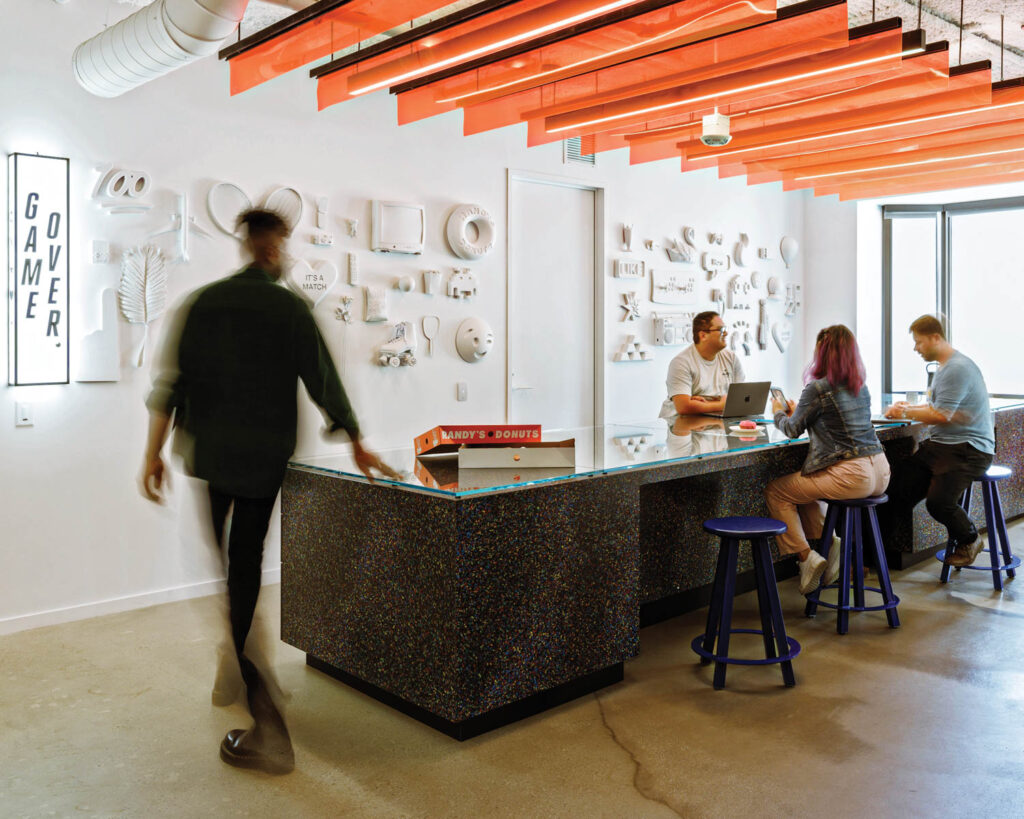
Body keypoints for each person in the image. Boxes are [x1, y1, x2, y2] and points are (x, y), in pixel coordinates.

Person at [140, 209, 397, 775]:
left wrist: (151, 454)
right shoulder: (288, 309)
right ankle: (239, 673)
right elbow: (323, 379)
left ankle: (263, 718)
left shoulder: (202, 304)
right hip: (262, 463)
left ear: (245, 245)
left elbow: (169, 387)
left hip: (210, 458)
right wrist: (356, 440)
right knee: (245, 568)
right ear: (273, 248)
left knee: (229, 573)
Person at [765, 325, 890, 595]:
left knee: (777, 491)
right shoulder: (860, 387)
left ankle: (806, 558)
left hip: (851, 476)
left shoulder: (817, 388)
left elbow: (790, 429)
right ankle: (830, 544)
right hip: (880, 472)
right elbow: (829, 418)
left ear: (822, 353)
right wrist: (798, 410)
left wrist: (778, 411)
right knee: (805, 488)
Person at [881, 314, 994, 567]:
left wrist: (905, 412)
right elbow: (937, 407)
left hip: (968, 450)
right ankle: (875, 556)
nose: (915, 348)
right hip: (941, 448)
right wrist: (909, 406)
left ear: (935, 337)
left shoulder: (957, 368)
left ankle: (970, 538)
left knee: (939, 503)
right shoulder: (946, 368)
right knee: (895, 489)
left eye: (919, 342)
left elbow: (941, 415)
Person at [659, 311, 744, 419]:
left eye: (725, 329)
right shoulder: (681, 362)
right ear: (703, 335)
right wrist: (721, 405)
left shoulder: (731, 358)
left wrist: (704, 404)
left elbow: (740, 398)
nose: (726, 333)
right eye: (721, 330)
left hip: (714, 421)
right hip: (680, 425)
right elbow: (683, 407)